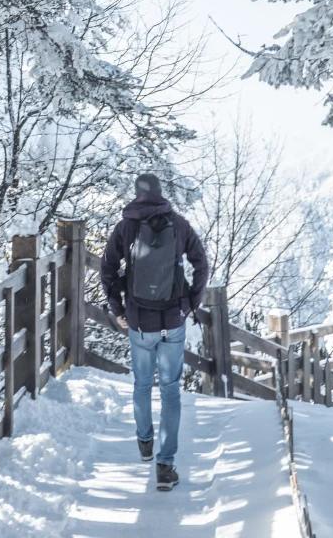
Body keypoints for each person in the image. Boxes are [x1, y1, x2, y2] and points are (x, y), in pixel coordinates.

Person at [99, 172, 209, 492]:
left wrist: (118, 310)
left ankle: (145, 441)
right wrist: (190, 304)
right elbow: (201, 266)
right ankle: (165, 465)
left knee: (143, 384)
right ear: (161, 194)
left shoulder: (126, 226)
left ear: (136, 194)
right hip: (172, 321)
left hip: (138, 321)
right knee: (171, 390)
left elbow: (107, 270)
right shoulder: (180, 224)